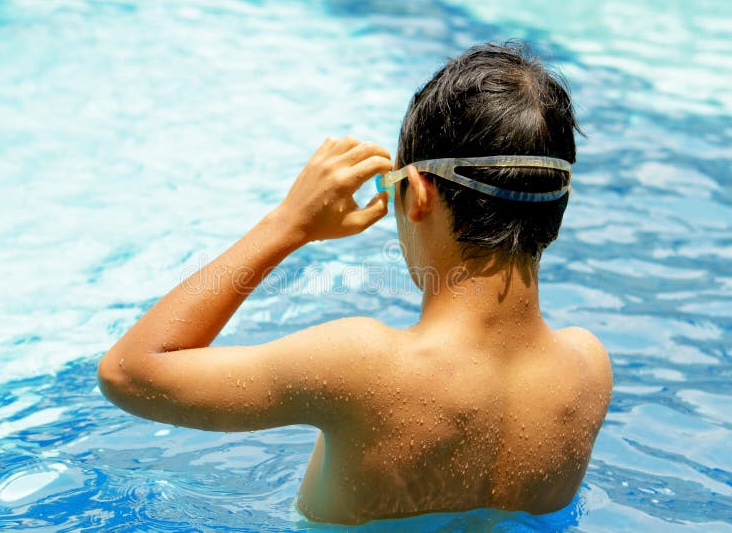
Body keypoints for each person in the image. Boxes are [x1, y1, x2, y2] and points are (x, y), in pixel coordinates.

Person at [98, 42, 612, 525]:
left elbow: (129, 372)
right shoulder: (587, 370)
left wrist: (288, 224)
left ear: (417, 194)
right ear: (559, 200)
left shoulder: (361, 365)